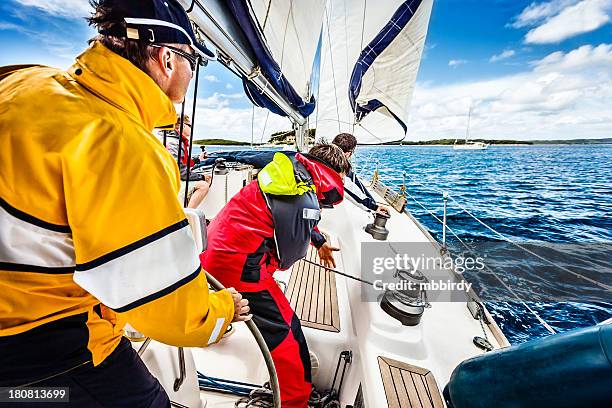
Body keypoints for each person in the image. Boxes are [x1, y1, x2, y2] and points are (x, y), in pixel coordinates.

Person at [0, 1, 250, 406]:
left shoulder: (24, 82)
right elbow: (170, 313)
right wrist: (221, 312)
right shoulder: (121, 141)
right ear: (167, 59)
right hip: (42, 347)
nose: (191, 73)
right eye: (194, 62)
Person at [200, 144, 351, 408]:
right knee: (287, 331)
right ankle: (295, 401)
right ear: (335, 172)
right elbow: (288, 258)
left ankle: (213, 328)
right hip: (238, 266)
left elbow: (289, 217)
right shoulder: (303, 198)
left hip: (214, 252)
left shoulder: (290, 174)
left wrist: (318, 240)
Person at [332, 133, 391, 215]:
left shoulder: (315, 156)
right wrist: (374, 207)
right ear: (348, 153)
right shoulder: (338, 169)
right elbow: (351, 190)